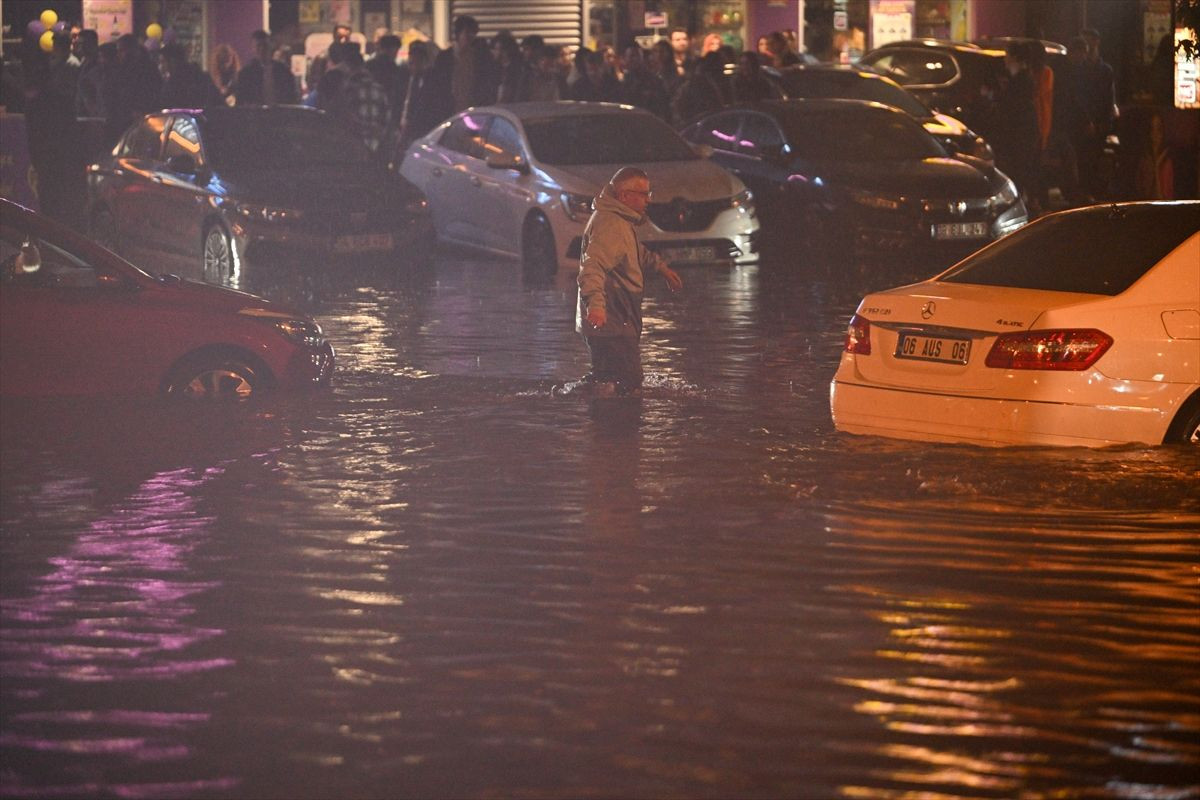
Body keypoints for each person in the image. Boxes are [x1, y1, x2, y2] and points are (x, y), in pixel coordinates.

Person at [576, 167, 683, 397]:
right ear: (624, 196)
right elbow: (592, 266)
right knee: (629, 382)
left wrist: (661, 268)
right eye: (643, 194)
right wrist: (596, 305)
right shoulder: (610, 224)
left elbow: (632, 251)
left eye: (649, 193)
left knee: (607, 379)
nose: (648, 199)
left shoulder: (619, 221)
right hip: (613, 319)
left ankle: (600, 423)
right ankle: (619, 430)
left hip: (615, 319)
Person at [232, 30, 298, 106]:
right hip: (256, 115)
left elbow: (292, 97)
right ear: (253, 48)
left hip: (280, 114)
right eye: (258, 46)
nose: (262, 49)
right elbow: (240, 102)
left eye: (265, 45)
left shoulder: (283, 71)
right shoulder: (246, 74)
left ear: (270, 46)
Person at [159, 41, 222, 109]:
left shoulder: (174, 84)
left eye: (163, 62)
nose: (161, 66)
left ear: (172, 61)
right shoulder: (203, 77)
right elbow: (219, 103)